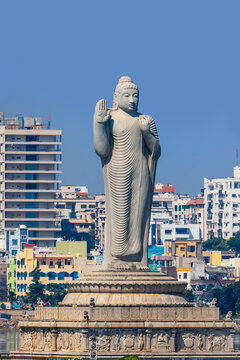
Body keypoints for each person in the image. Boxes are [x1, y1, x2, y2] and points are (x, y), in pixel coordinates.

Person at [94, 76, 161, 270]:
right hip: (117, 170)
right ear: (116, 97)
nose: (132, 100)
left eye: (135, 96)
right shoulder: (110, 118)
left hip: (140, 172)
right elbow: (102, 150)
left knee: (138, 214)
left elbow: (155, 151)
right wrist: (99, 125)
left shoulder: (145, 120)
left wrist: (146, 132)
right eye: (127, 95)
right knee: (120, 213)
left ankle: (136, 257)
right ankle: (118, 256)